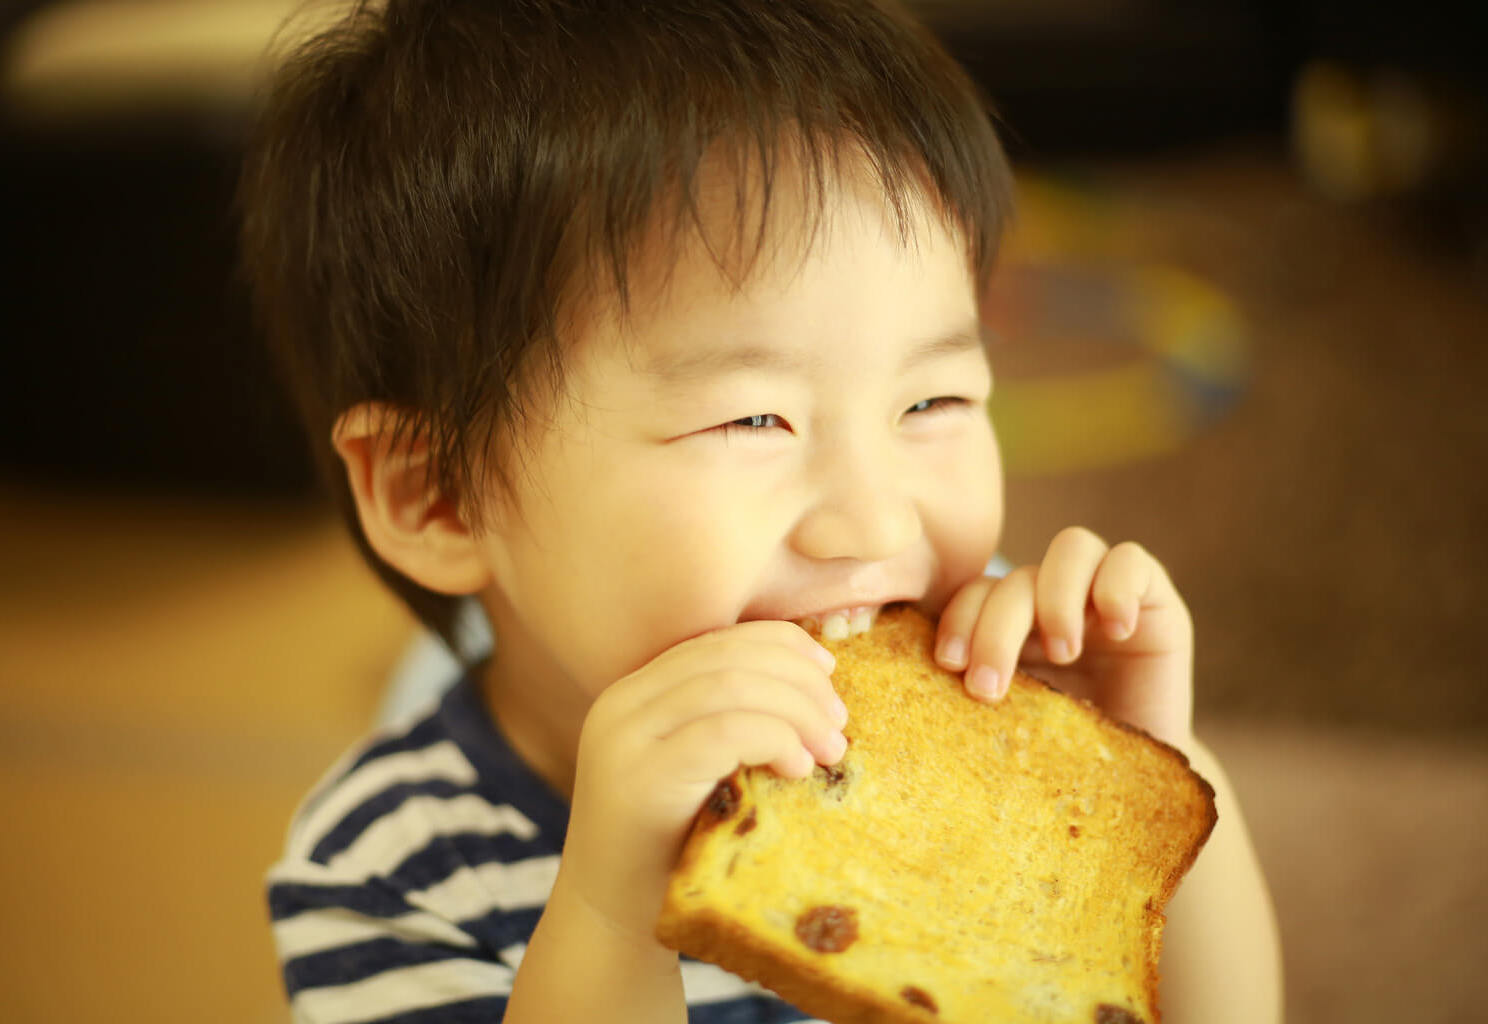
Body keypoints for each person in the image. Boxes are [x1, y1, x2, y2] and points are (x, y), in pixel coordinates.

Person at [239, 2, 1283, 1021]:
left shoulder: (986, 687)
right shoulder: (386, 872)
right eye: (752, 420)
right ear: (441, 494)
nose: (875, 527)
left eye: (932, 401)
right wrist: (608, 908)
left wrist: (1140, 784)